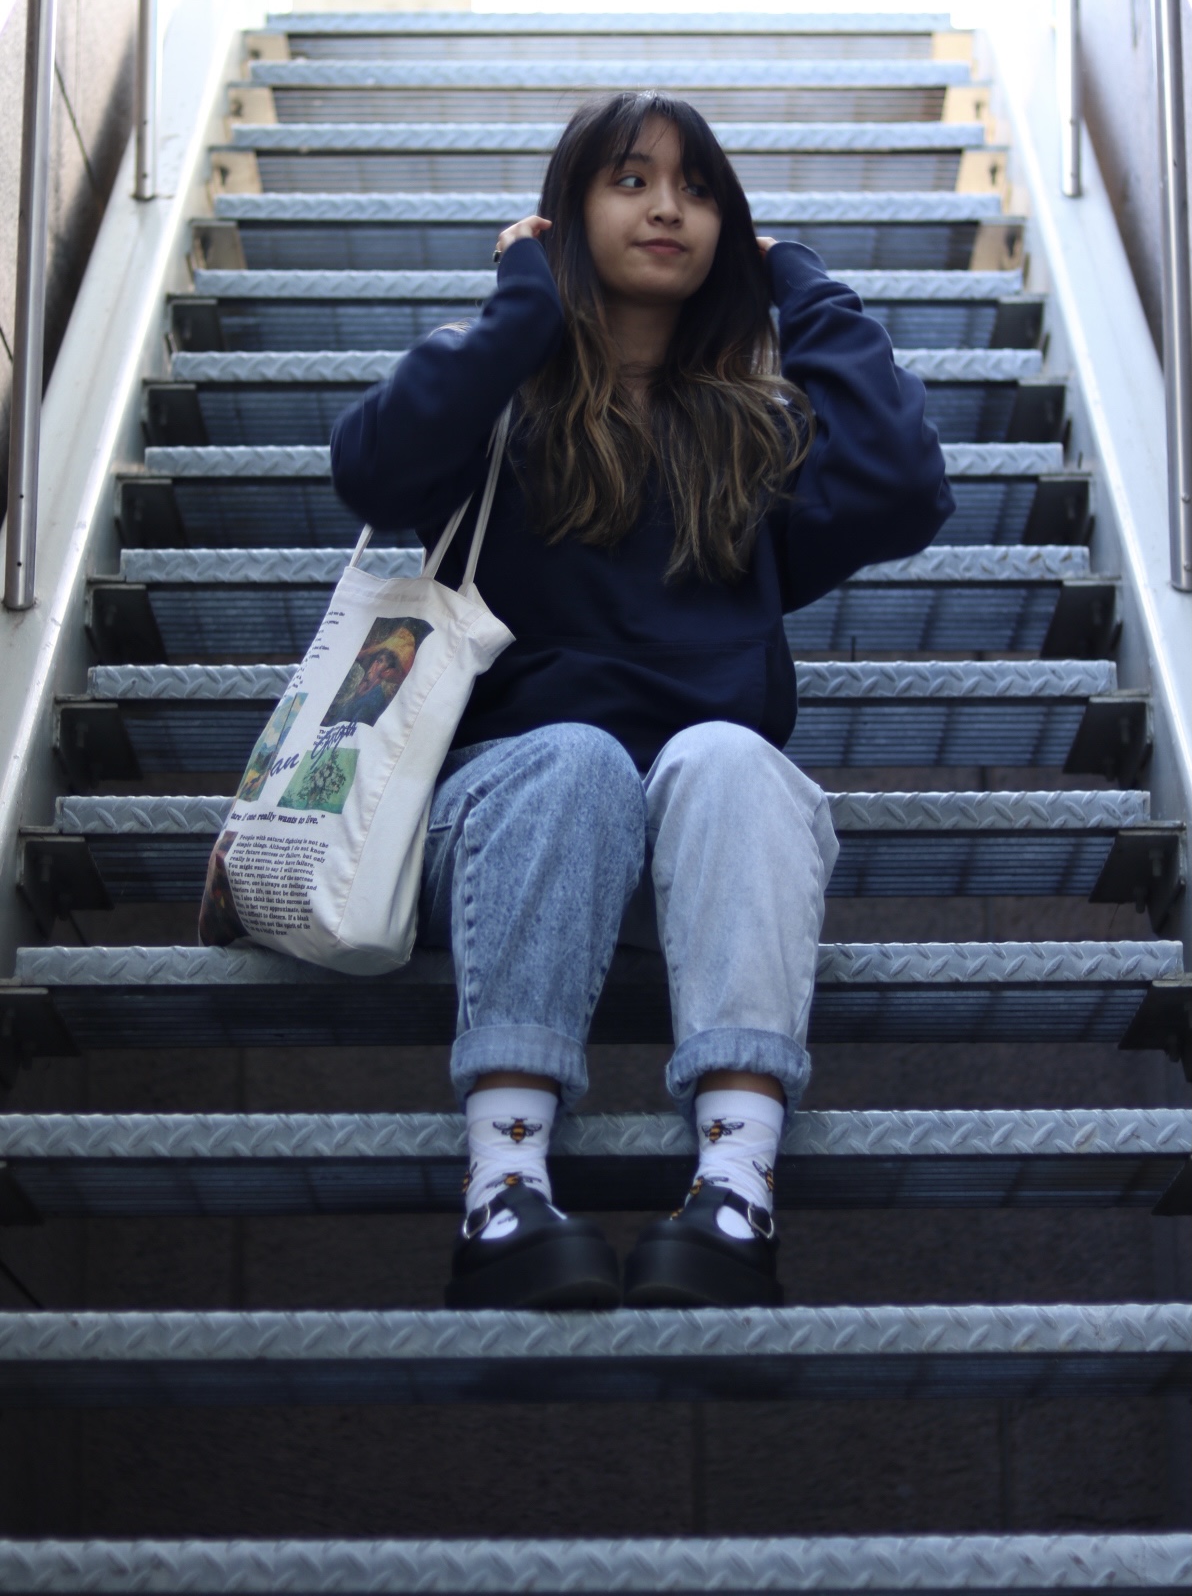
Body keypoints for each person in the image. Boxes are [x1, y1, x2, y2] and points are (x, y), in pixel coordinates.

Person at [330, 90, 953, 1312]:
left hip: (712, 819)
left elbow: (899, 487)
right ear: (567, 216)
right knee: (572, 757)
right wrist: (524, 307)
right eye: (629, 180)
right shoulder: (501, 410)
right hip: (507, 806)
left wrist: (801, 284)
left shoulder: (748, 439)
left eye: (699, 188)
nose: (668, 206)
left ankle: (735, 1191)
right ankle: (503, 1190)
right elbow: (373, 465)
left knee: (727, 757)